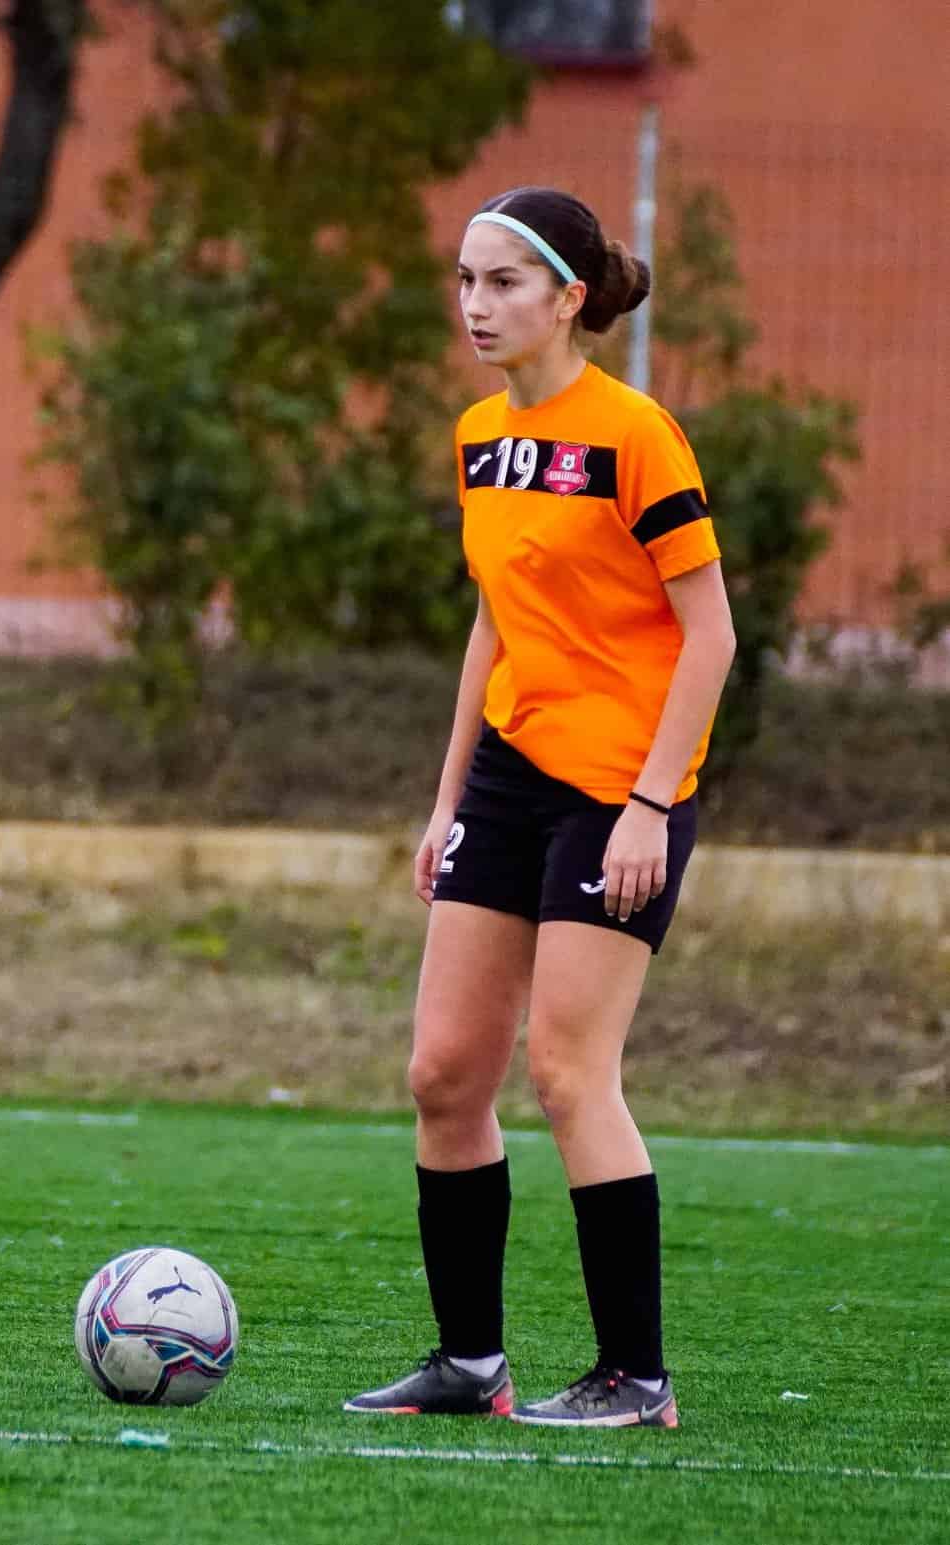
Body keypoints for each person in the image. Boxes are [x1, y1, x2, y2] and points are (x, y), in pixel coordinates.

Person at [342, 188, 735, 1428]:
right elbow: (495, 624)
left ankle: (638, 1376)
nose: (476, 304)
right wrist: (446, 799)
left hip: (621, 783)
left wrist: (646, 806)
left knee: (569, 1070)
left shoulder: (637, 435)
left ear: (570, 297)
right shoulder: (478, 437)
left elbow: (711, 636)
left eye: (505, 282)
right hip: (511, 777)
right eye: (465, 280)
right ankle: (471, 1364)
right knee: (445, 1074)